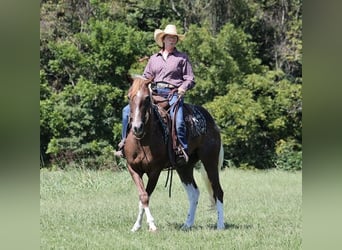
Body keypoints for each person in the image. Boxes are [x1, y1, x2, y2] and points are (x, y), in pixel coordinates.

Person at [115, 24, 195, 165]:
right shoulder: (154, 59)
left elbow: (190, 78)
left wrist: (183, 88)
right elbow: (146, 77)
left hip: (172, 94)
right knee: (126, 111)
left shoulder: (182, 58)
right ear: (163, 39)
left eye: (174, 38)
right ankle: (123, 143)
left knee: (179, 120)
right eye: (170, 38)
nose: (172, 40)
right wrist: (143, 86)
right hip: (154, 93)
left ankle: (182, 149)